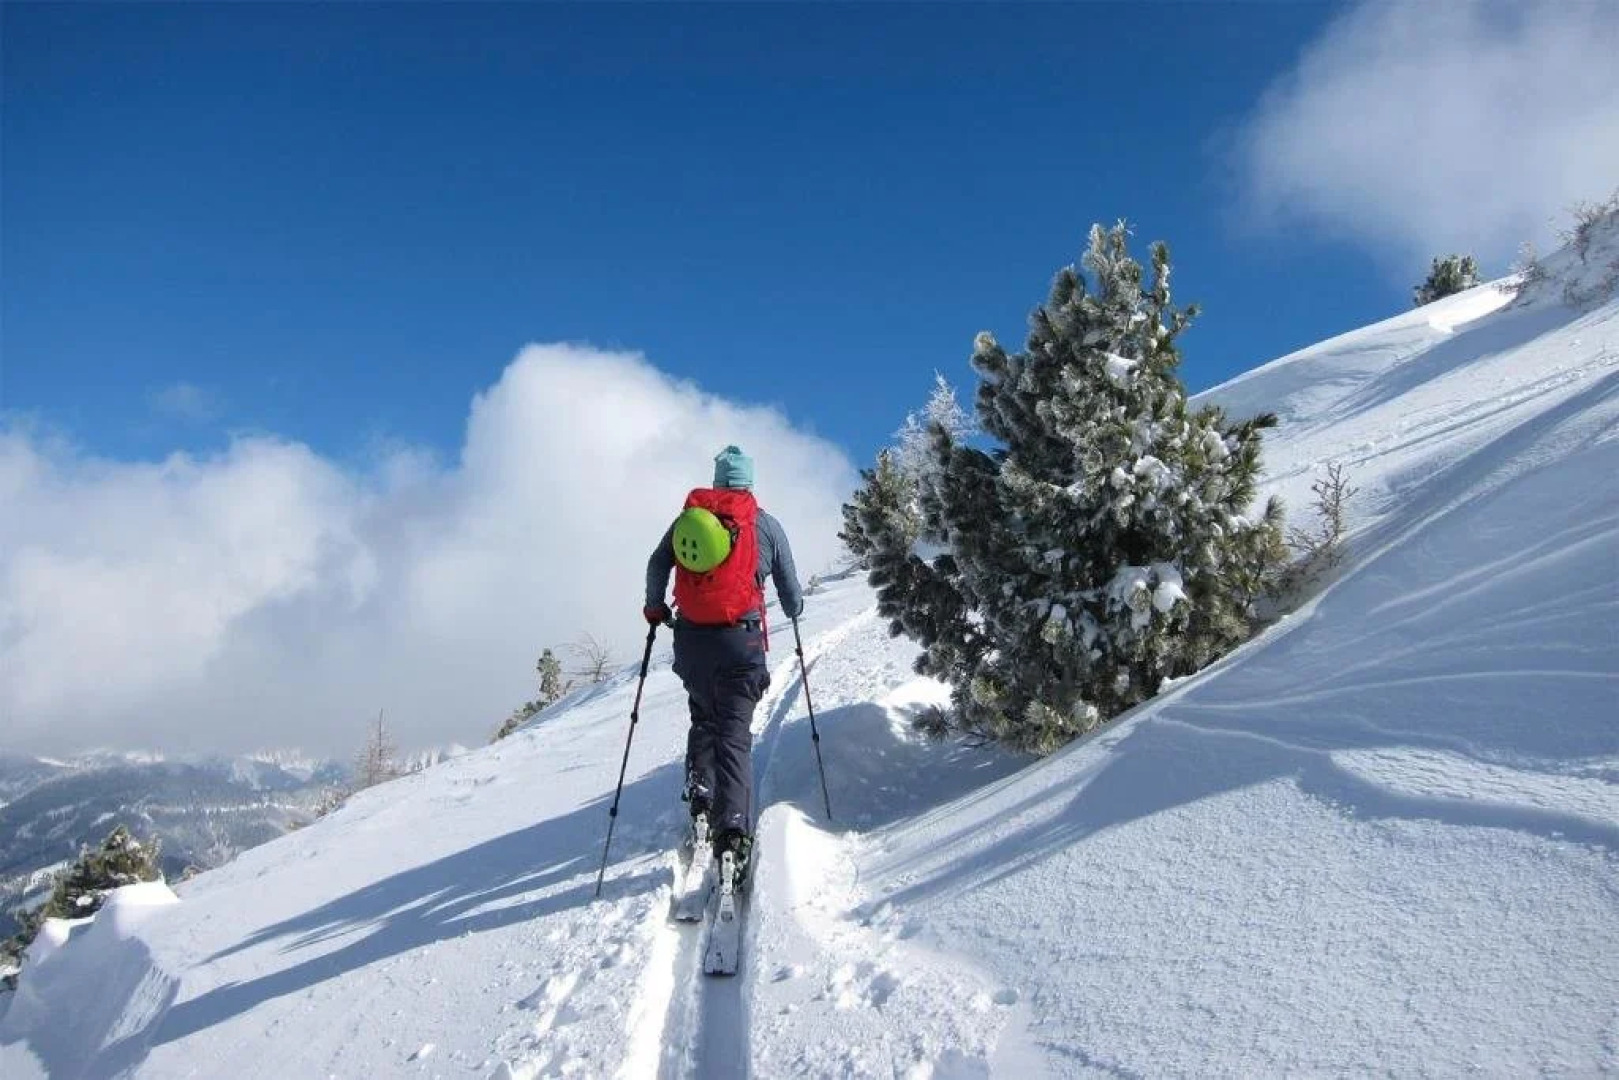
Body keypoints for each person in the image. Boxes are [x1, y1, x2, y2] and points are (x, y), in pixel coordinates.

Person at [644, 445, 803, 886]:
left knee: (703, 716)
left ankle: (700, 798)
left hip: (692, 642)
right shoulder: (765, 526)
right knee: (733, 735)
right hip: (741, 642)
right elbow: (789, 588)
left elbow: (658, 564)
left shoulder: (688, 521)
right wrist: (795, 607)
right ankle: (732, 833)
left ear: (716, 483)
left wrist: (655, 608)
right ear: (748, 484)